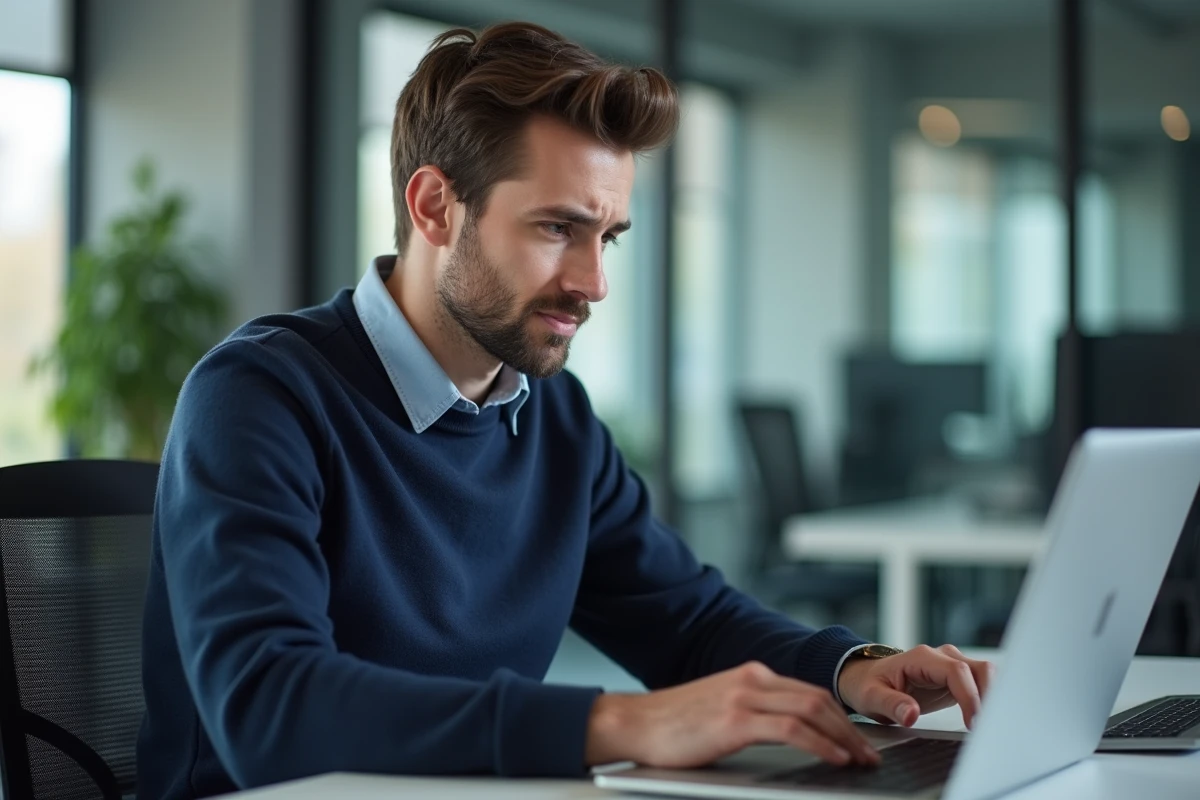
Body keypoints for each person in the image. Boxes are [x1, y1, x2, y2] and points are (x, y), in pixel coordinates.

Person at [136, 21, 993, 800]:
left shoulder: (553, 414)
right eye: (557, 228)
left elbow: (685, 621)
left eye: (606, 236)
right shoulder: (258, 398)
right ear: (434, 206)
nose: (594, 283)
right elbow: (268, 710)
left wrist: (850, 666)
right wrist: (618, 723)